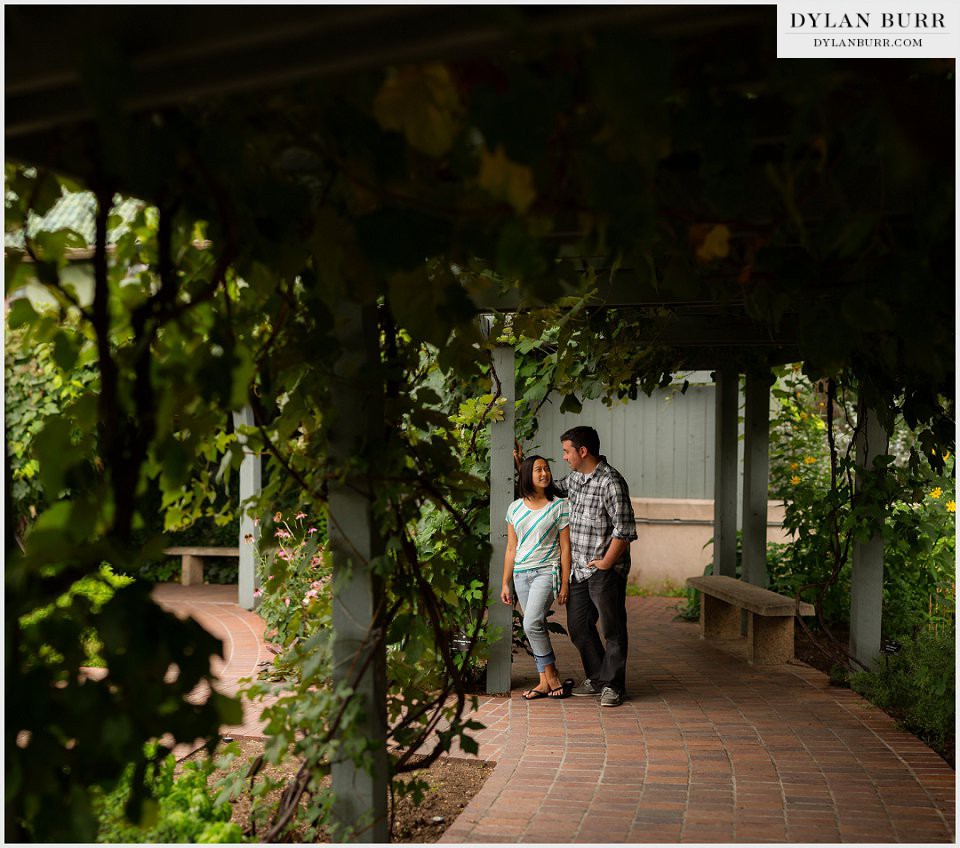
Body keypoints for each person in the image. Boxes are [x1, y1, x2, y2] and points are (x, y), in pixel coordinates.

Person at [517, 426, 637, 707]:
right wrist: (521, 464)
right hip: (579, 569)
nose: (564, 457)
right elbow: (552, 488)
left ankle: (613, 686)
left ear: (582, 451)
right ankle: (597, 678)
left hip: (605, 569)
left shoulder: (611, 482)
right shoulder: (576, 478)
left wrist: (607, 562)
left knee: (613, 628)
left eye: (567, 451)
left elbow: (625, 529)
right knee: (579, 626)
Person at [500, 455, 573, 700]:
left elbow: (565, 547)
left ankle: (551, 675)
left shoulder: (559, 505)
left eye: (547, 469)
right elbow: (511, 547)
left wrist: (564, 582)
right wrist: (505, 582)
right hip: (521, 574)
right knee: (535, 625)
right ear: (527, 475)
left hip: (546, 571)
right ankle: (543, 681)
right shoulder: (515, 507)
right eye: (538, 470)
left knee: (531, 622)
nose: (545, 474)